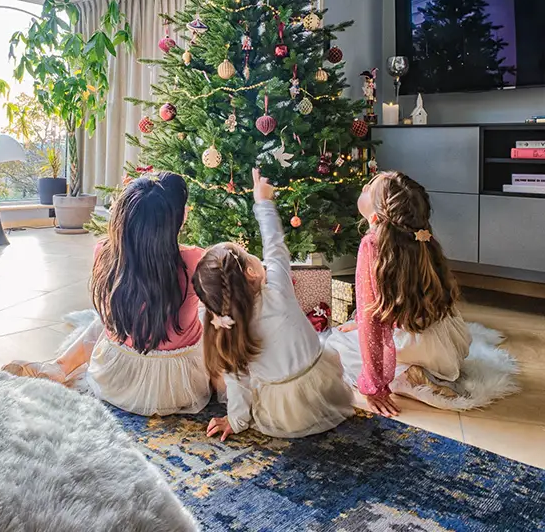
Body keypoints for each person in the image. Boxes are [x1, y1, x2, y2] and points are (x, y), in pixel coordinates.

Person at [3, 173, 211, 416]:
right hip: (179, 389)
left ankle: (59, 367)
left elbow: (109, 316)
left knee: (108, 317)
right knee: (205, 311)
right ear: (179, 219)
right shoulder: (196, 260)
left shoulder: (105, 253)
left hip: (116, 382)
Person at [192, 168, 354, 440]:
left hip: (282, 414)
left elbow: (237, 384)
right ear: (251, 272)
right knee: (331, 346)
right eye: (247, 254)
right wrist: (263, 202)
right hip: (323, 393)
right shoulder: (278, 290)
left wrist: (236, 420)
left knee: (249, 375)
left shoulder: (224, 326)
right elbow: (275, 245)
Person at [328, 170, 476, 417]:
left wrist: (374, 387)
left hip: (407, 342)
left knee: (334, 345)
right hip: (442, 344)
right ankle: (428, 372)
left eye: (367, 189)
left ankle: (407, 377)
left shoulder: (372, 245)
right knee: (356, 328)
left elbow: (373, 320)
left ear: (375, 215)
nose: (363, 187)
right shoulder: (421, 236)